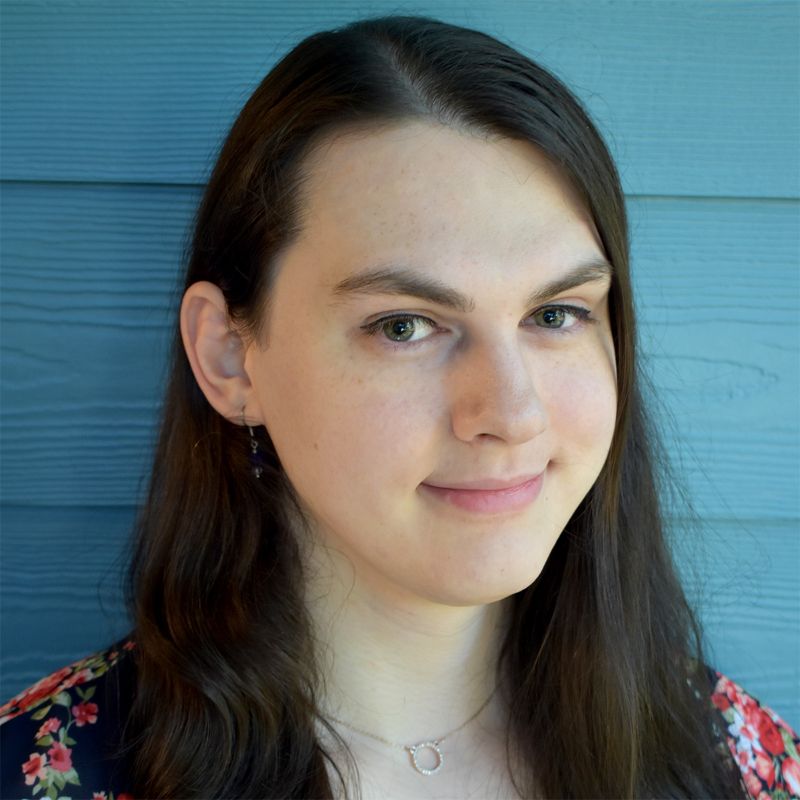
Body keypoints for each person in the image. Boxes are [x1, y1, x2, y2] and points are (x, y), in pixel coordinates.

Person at [1, 14, 797, 800]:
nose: (512, 413)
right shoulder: (47, 775)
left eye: (556, 315)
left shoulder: (738, 765)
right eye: (404, 326)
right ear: (230, 356)